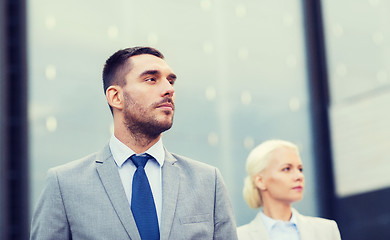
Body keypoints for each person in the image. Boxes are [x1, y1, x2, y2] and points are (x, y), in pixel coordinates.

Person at [30, 46, 238, 240]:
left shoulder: (208, 182)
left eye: (171, 81)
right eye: (151, 79)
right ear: (116, 97)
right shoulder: (64, 185)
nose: (169, 89)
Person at [237, 140, 341, 240]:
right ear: (260, 181)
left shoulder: (326, 230)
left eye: (300, 169)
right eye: (286, 169)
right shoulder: (238, 237)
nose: (299, 176)